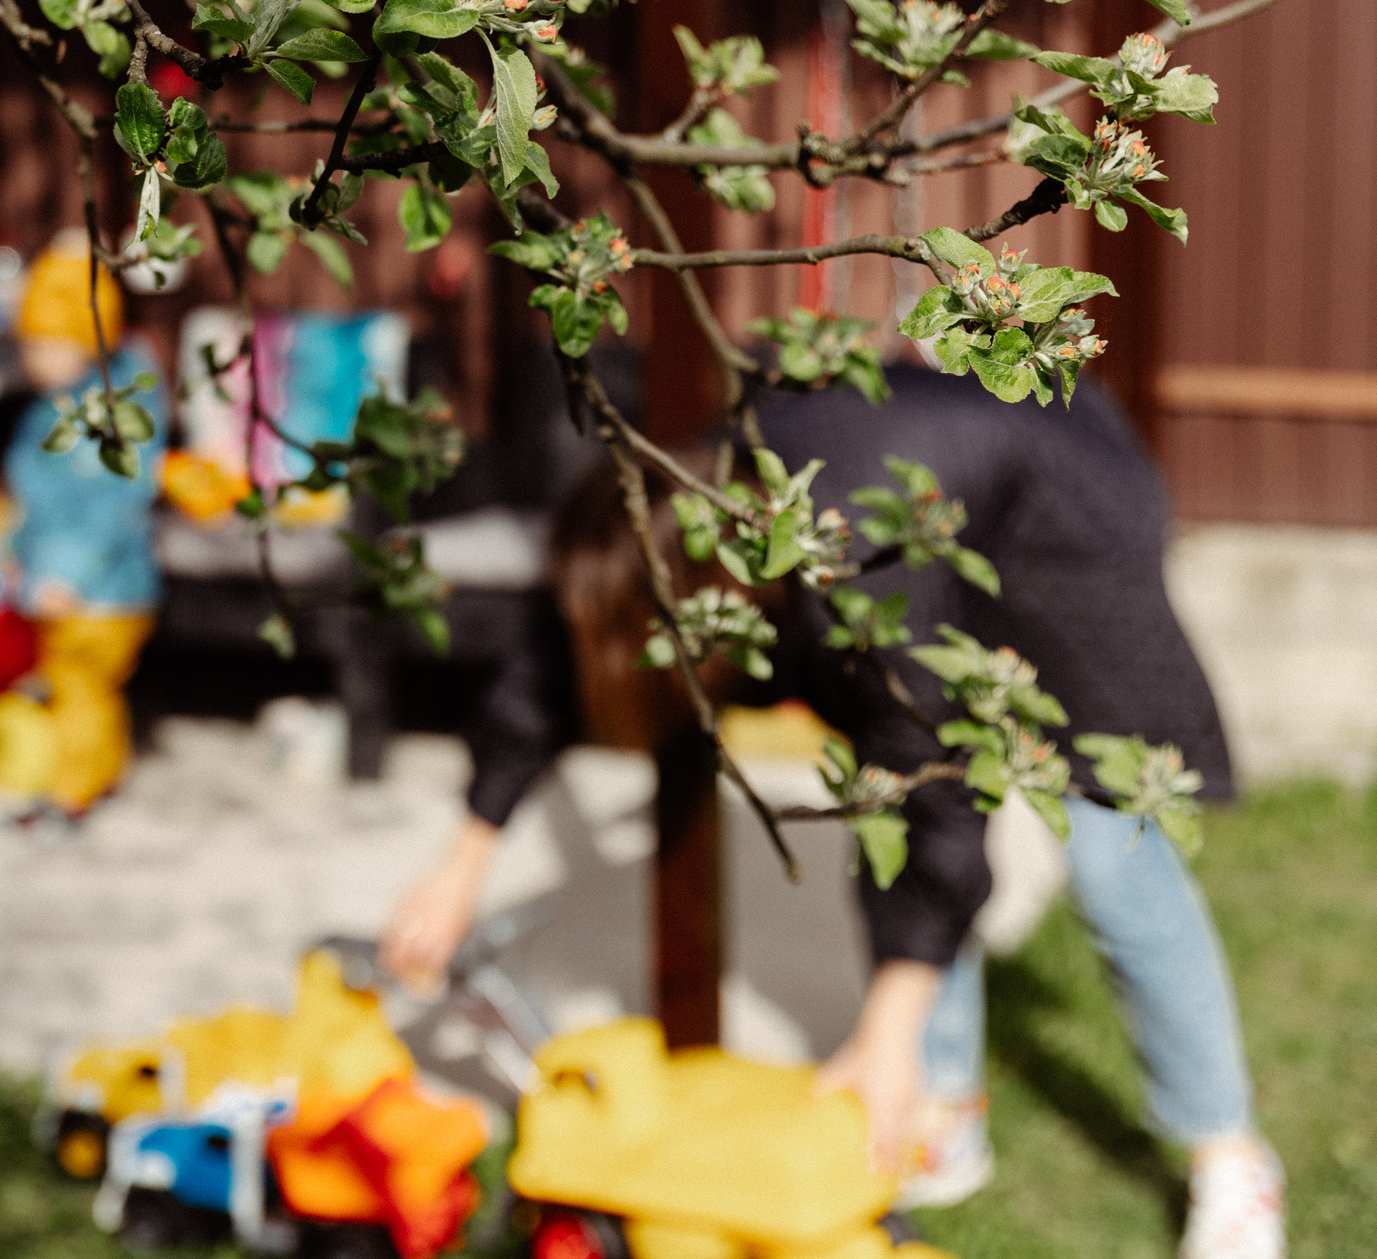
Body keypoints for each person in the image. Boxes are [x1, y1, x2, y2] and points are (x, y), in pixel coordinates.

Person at [379, 366, 1284, 1259]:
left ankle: (1232, 1157)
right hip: (936, 500)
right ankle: (942, 1105)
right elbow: (554, 654)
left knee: (1109, 853)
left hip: (1067, 502)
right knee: (892, 815)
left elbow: (935, 789)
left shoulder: (849, 578)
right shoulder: (668, 519)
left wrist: (882, 1028)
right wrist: (463, 860)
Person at [0, 235, 164, 823]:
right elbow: (38, 499)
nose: (34, 363)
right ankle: (92, 776)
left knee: (81, 691)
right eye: (29, 349)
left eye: (48, 348)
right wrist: (11, 547)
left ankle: (73, 795)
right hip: (55, 583)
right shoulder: (48, 408)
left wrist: (68, 574)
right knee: (68, 687)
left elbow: (117, 502)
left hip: (103, 591)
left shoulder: (117, 410)